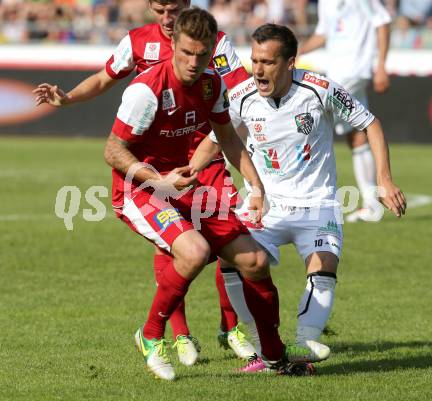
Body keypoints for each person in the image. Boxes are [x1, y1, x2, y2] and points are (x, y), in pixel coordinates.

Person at [33, 0, 255, 365]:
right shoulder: (137, 43)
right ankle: (180, 335)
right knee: (179, 247)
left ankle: (231, 328)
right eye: (159, 10)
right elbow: (105, 79)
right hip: (155, 167)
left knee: (230, 238)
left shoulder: (216, 42)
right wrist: (68, 98)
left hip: (205, 156)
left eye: (174, 10)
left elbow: (237, 92)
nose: (167, 19)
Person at [103, 8, 306, 380]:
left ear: (212, 49)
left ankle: (274, 355)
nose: (194, 63)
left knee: (255, 262)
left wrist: (256, 187)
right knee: (194, 251)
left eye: (202, 54)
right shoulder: (146, 91)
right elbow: (113, 151)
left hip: (185, 185)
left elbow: (227, 138)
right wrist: (158, 181)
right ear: (173, 47)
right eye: (186, 54)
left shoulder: (212, 83)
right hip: (141, 188)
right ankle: (151, 336)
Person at [202, 23, 406, 372]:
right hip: (265, 204)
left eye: (267, 61)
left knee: (324, 264)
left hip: (318, 203)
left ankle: (303, 345)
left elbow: (369, 123)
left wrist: (384, 180)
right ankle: (262, 351)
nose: (258, 70)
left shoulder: (321, 90)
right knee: (231, 260)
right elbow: (215, 140)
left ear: (290, 62)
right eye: (254, 60)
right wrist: (184, 173)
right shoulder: (240, 96)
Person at [298, 0, 392, 222]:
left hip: (353, 70)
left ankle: (302, 197)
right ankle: (371, 205)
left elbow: (384, 22)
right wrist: (297, 50)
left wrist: (380, 66)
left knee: (311, 117)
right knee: (357, 135)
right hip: (338, 71)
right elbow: (323, 34)